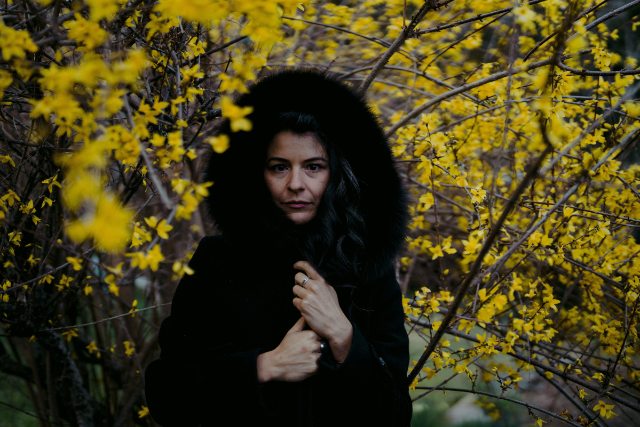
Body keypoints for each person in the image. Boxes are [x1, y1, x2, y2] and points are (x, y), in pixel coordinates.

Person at [144, 68, 413, 427]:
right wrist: (264, 367)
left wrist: (344, 337)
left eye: (314, 167)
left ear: (337, 173)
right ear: (258, 174)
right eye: (279, 167)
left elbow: (395, 416)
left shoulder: (369, 274)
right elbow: (167, 397)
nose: (296, 184)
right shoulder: (217, 263)